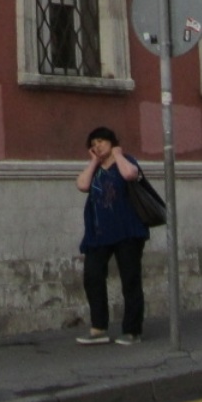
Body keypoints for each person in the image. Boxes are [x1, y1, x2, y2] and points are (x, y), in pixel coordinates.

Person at [74, 126, 150, 345]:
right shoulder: (95, 168)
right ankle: (99, 328)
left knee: (130, 279)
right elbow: (82, 185)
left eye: (101, 141)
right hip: (99, 234)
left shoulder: (126, 160)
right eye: (93, 143)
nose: (97, 145)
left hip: (127, 231)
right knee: (92, 276)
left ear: (112, 142)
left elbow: (129, 174)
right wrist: (93, 162)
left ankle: (132, 330)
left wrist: (117, 154)